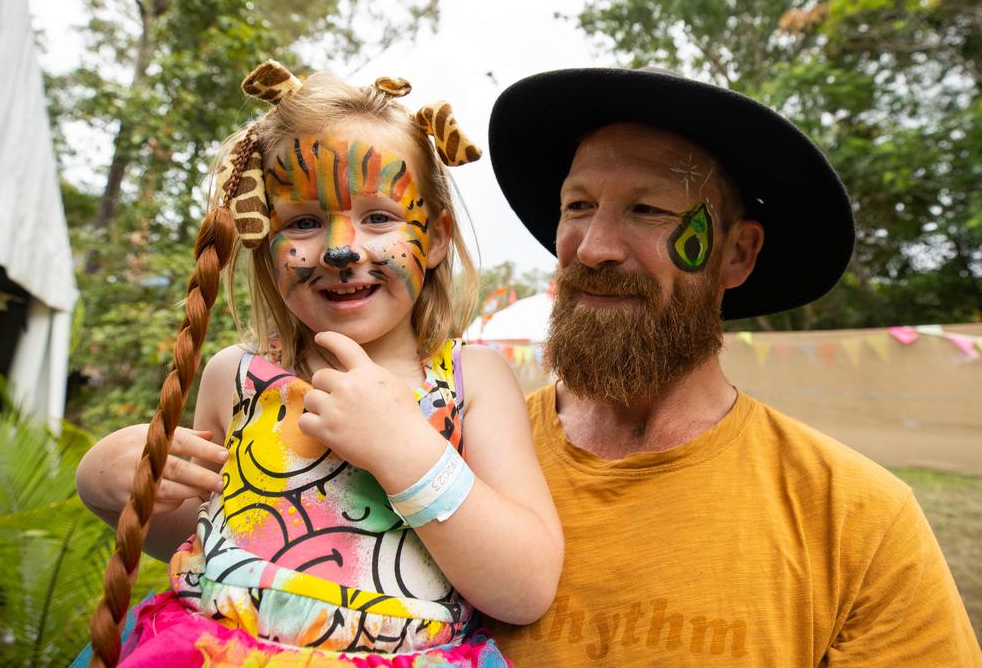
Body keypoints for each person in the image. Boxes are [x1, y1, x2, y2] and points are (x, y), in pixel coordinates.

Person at [484, 67, 982, 666]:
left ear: (737, 254)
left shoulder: (857, 520)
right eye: (578, 205)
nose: (593, 247)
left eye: (646, 209)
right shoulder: (457, 461)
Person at [75, 61, 563, 667]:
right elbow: (205, 538)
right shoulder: (237, 376)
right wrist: (107, 483)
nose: (340, 249)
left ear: (436, 239)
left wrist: (408, 452)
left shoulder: (471, 380)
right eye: (303, 222)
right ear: (263, 238)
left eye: (379, 216)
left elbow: (526, 586)